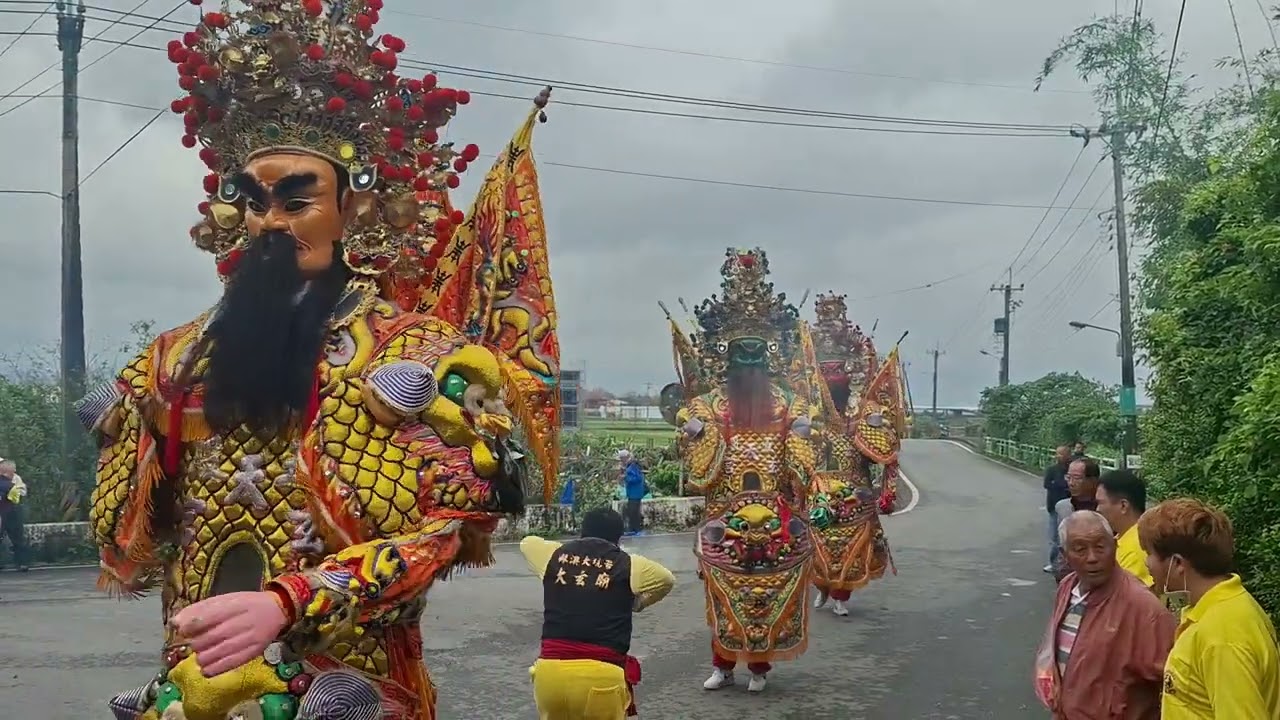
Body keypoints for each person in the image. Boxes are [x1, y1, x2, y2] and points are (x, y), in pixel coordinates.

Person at [72, 5, 560, 718]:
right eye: (253, 201)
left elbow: (438, 535)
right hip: (193, 685)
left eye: (298, 199)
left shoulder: (416, 352)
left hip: (353, 682)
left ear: (350, 210)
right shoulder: (171, 359)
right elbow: (131, 539)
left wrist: (289, 601)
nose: (272, 222)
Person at [672, 248, 816, 694]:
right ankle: (723, 665)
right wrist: (698, 432)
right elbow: (698, 463)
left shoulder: (790, 403)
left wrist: (803, 434)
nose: (749, 357)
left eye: (756, 350)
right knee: (722, 590)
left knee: (771, 589)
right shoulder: (708, 404)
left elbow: (804, 462)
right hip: (723, 514)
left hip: (777, 510)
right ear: (725, 355)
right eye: (741, 351)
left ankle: (759, 667)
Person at [521, 507, 675, 719]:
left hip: (550, 676)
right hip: (602, 678)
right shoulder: (629, 564)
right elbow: (666, 579)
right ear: (618, 538)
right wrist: (637, 603)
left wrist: (571, 551)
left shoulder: (554, 556)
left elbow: (527, 543)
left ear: (582, 531)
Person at [1139, 498, 1280, 718]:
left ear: (1177, 564)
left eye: (1149, 553)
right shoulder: (1218, 609)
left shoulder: (1222, 637)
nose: (1146, 563)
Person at [1034, 511, 1175, 719]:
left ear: (1115, 546)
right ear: (1064, 555)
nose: (1092, 558)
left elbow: (1170, 681)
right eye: (1080, 549)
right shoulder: (1067, 587)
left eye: (1100, 547)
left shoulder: (1142, 606)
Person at [805, 293, 895, 616]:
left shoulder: (863, 410)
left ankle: (841, 596)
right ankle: (822, 587)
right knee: (818, 544)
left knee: (849, 547)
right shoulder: (812, 413)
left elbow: (884, 450)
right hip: (819, 491)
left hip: (855, 489)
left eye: (838, 373)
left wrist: (870, 431)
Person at [1095, 469, 1153, 586]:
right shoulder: (1122, 538)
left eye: (1100, 503)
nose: (1097, 509)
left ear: (1123, 506)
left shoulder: (1137, 548)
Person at [1052, 457, 1100, 581]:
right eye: (1068, 477)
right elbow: (1059, 543)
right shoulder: (1063, 508)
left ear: (1093, 480)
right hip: (1067, 575)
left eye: (1077, 478)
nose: (1071, 483)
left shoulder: (1104, 509)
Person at [1042, 445, 1071, 573]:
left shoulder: (1071, 469)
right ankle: (1053, 563)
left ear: (1067, 454)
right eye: (1057, 453)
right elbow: (1047, 484)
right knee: (1054, 537)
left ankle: (1067, 563)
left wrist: (1059, 484)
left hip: (1069, 506)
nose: (1059, 456)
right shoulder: (1052, 469)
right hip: (1054, 505)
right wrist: (1062, 485)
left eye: (1061, 453)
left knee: (1066, 536)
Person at [0, 459, 29, 571]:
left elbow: (22, 493)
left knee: (18, 537)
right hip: (5, 510)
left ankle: (22, 563)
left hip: (12, 511)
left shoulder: (16, 479)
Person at [617, 450, 646, 536]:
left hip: (635, 493)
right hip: (633, 493)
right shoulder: (630, 465)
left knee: (633, 511)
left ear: (625, 457)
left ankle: (636, 529)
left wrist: (626, 478)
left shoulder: (633, 465)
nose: (621, 461)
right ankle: (634, 529)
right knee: (633, 511)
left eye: (622, 459)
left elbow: (637, 478)